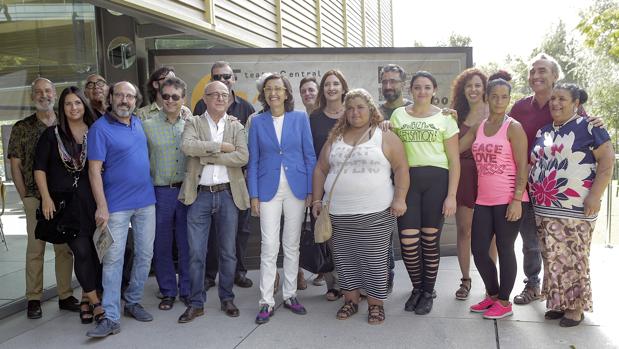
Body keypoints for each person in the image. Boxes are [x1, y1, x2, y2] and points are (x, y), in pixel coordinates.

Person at [312, 88, 409, 325]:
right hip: (338, 214)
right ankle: (351, 301)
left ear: (371, 110)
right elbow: (320, 169)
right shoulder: (334, 138)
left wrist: (399, 198)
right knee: (345, 261)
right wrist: (316, 200)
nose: (355, 112)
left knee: (374, 261)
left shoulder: (383, 135)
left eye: (361, 107)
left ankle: (376, 305)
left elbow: (401, 168)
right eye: (351, 108)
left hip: (376, 213)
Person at [508, 53, 594, 305]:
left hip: (561, 191)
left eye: (542, 71)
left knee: (561, 245)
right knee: (530, 241)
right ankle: (533, 284)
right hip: (527, 185)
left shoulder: (564, 102)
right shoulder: (520, 107)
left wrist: (595, 120)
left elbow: (585, 127)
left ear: (555, 76)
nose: (536, 76)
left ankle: (560, 293)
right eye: (533, 71)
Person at [529, 83, 614, 327]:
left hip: (576, 208)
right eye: (553, 98)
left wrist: (595, 196)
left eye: (562, 99)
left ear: (576, 103)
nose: (555, 103)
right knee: (552, 256)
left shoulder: (590, 128)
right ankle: (558, 303)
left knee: (573, 257)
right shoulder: (543, 131)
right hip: (544, 208)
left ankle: (575, 308)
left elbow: (607, 162)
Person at [86, 81, 156, 338]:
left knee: (145, 254)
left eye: (130, 96)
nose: (125, 100)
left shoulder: (138, 123)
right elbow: (93, 171)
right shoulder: (99, 129)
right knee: (113, 261)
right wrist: (101, 206)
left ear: (135, 101)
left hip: (146, 201)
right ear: (111, 97)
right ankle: (111, 317)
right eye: (120, 95)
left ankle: (134, 301)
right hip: (115, 206)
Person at [177, 80, 250, 323]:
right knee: (196, 252)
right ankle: (196, 303)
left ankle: (227, 298)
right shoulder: (193, 122)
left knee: (228, 252)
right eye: (214, 94)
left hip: (228, 194)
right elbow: (188, 147)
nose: (220, 98)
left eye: (224, 94)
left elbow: (242, 156)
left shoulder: (235, 125)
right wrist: (221, 146)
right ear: (205, 99)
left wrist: (209, 156)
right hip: (199, 196)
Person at [7, 77, 79, 319]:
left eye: (48, 91)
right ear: (32, 96)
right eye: (38, 92)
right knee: (35, 249)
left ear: (54, 93)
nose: (43, 95)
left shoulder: (66, 123)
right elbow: (15, 165)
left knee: (63, 248)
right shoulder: (22, 127)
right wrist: (25, 195)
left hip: (62, 198)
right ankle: (34, 298)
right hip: (34, 198)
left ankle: (65, 294)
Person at [248, 73, 316, 324]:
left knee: (291, 244)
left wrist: (311, 190)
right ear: (264, 94)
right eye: (269, 89)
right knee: (269, 246)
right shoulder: (257, 121)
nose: (273, 93)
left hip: (296, 188)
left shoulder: (299, 118)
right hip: (267, 190)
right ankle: (266, 300)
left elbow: (310, 156)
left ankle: (290, 295)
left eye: (278, 88)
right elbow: (253, 160)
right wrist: (253, 195)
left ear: (287, 93)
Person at [390, 71, 460, 315]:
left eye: (427, 87)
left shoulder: (445, 118)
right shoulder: (398, 115)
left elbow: (454, 160)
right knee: (409, 242)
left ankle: (428, 292)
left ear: (434, 90)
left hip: (437, 182)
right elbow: (392, 150)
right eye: (417, 87)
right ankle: (417, 288)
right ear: (410, 90)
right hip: (408, 182)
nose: (422, 91)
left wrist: (451, 195)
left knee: (429, 241)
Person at [459, 78, 529, 319]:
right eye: (495, 96)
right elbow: (456, 147)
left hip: (509, 198)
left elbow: (523, 166)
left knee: (505, 248)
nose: (499, 101)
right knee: (479, 251)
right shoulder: (479, 126)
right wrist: (446, 120)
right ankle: (492, 295)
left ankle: (504, 302)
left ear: (509, 99)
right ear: (486, 98)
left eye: (504, 97)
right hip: (484, 200)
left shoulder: (514, 127)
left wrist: (517, 199)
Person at [33, 86, 102, 324]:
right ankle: (96, 303)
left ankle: (86, 297)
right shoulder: (52, 135)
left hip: (93, 201)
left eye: (78, 103)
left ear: (85, 105)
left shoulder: (96, 131)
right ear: (62, 108)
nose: (74, 108)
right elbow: (39, 168)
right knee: (81, 251)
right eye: (68, 104)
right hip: (66, 205)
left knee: (96, 253)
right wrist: (46, 198)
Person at [194, 61, 256, 290]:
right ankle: (210, 275)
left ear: (234, 79)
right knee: (210, 234)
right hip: (207, 184)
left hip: (237, 183)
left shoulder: (246, 108)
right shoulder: (201, 107)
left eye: (227, 76)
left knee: (240, 231)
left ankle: (238, 273)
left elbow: (246, 152)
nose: (223, 79)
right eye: (217, 76)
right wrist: (222, 148)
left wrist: (212, 154)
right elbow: (195, 145)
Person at [449, 68, 499, 300]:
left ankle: (491, 283)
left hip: (489, 175)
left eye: (478, 85)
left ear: (485, 88)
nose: (473, 89)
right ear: (462, 89)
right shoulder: (454, 115)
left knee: (491, 233)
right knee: (464, 230)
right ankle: (465, 280)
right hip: (464, 176)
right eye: (469, 85)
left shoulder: (495, 113)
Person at [142, 77, 191, 311]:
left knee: (187, 243)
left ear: (184, 99)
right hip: (160, 192)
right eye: (166, 96)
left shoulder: (192, 124)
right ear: (160, 97)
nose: (170, 100)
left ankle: (188, 290)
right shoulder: (147, 125)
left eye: (176, 96)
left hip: (187, 191)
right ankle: (168, 291)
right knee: (161, 244)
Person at [309, 69, 349, 300]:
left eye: (335, 83)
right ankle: (334, 284)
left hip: (352, 183)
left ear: (343, 87)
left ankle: (354, 284)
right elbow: (310, 154)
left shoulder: (353, 113)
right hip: (324, 183)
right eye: (327, 85)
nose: (331, 88)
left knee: (349, 237)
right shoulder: (314, 117)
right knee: (329, 237)